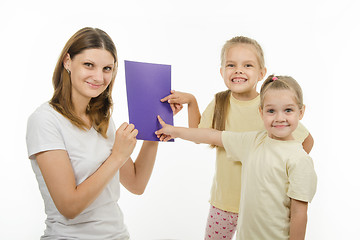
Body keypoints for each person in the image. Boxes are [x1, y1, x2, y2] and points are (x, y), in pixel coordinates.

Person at [161, 36, 314, 239]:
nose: (238, 70)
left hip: (262, 204)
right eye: (231, 65)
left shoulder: (272, 105)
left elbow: (306, 142)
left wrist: (280, 171)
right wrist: (191, 102)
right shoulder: (220, 101)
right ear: (222, 71)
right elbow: (202, 135)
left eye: (247, 65)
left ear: (261, 73)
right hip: (225, 199)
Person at [26, 27, 159, 240]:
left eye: (107, 68)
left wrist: (155, 130)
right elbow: (69, 206)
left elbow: (136, 184)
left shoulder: (102, 118)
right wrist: (117, 156)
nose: (99, 77)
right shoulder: (45, 121)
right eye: (89, 65)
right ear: (67, 62)